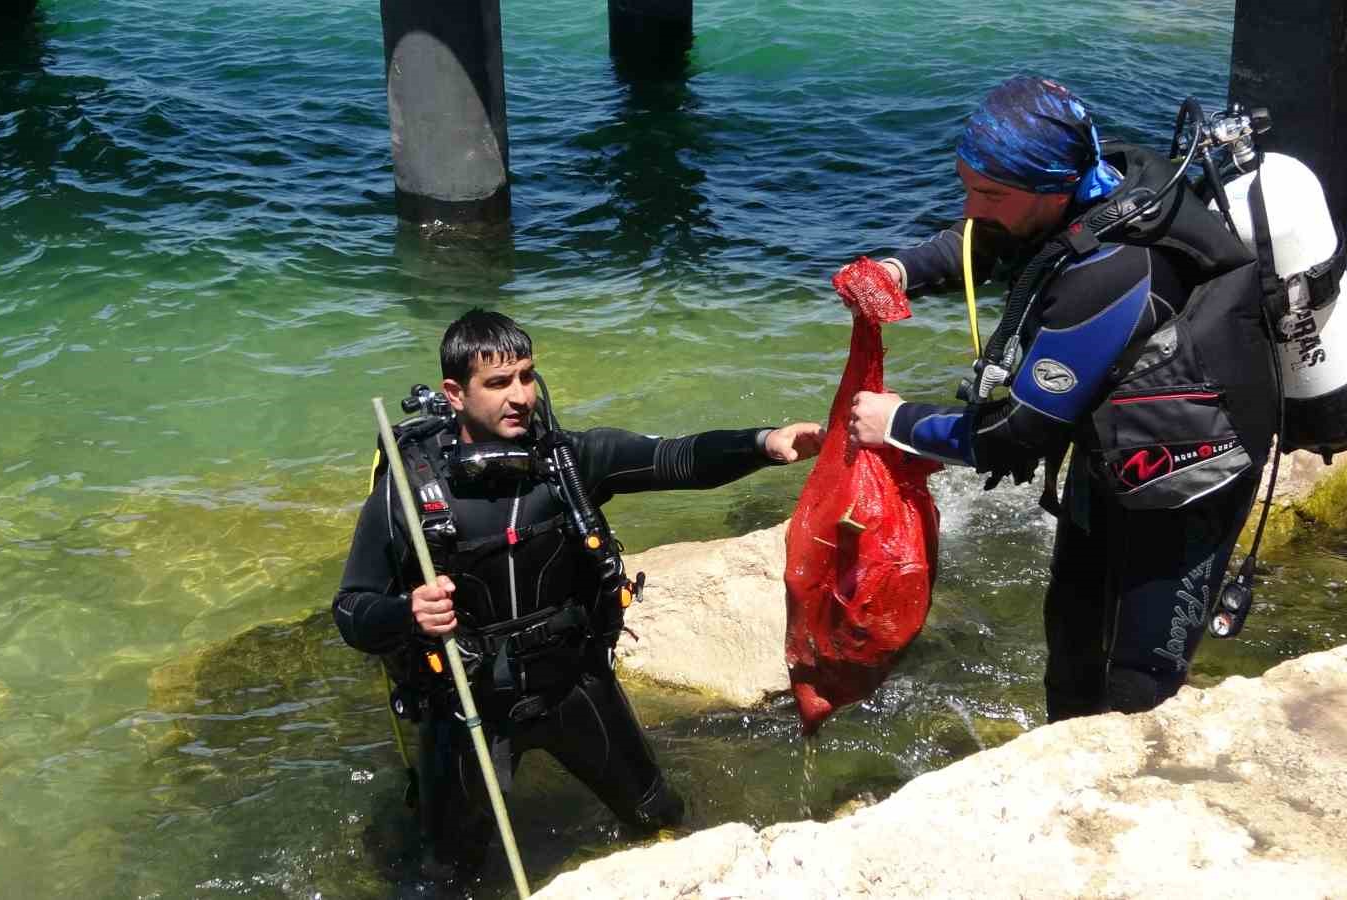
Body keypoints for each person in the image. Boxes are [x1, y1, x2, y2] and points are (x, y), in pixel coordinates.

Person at [839, 76, 1277, 722]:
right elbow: (989, 238)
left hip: (1192, 472)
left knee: (1138, 683)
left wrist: (895, 421)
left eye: (988, 193)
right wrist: (902, 269)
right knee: (1072, 640)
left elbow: (1016, 432)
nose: (970, 207)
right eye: (965, 185)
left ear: (1053, 188)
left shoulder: (1112, 274)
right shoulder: (1094, 183)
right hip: (1117, 446)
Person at [333, 308, 824, 877]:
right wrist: (407, 613)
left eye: (525, 376)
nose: (520, 396)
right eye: (497, 383)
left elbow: (675, 459)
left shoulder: (568, 462)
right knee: (450, 874)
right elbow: (351, 610)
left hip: (572, 683)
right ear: (455, 393)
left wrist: (765, 442)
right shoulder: (407, 494)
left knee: (658, 816)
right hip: (467, 708)